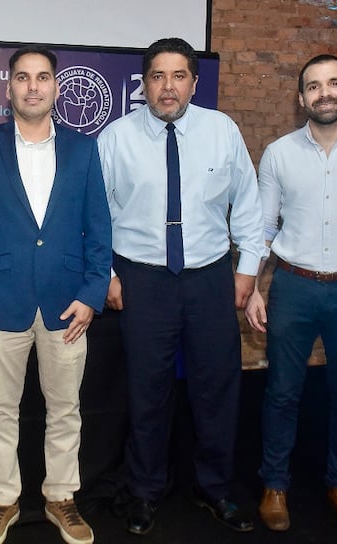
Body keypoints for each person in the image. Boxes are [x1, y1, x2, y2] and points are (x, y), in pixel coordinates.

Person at [96, 37, 265, 535]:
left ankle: (213, 487)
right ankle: (144, 490)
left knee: (217, 387)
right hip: (141, 279)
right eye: (157, 76)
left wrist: (247, 269)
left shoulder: (222, 131)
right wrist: (107, 274)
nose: (167, 87)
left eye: (178, 76)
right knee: (147, 390)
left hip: (209, 277)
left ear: (194, 82)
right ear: (143, 84)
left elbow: (248, 203)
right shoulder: (116, 137)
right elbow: (95, 214)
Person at [0, 45, 111, 544]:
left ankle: (61, 497)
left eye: (42, 77)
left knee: (66, 409)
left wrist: (92, 293)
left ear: (56, 87)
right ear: (9, 88)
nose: (33, 86)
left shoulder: (84, 149)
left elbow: (99, 229)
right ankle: (3, 502)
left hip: (68, 304)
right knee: (0, 410)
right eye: (23, 77)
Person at [245, 54, 337, 540]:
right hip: (293, 287)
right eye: (314, 86)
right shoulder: (279, 154)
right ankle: (275, 484)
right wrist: (253, 287)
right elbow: (263, 226)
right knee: (282, 392)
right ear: (301, 98)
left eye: (334, 83)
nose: (325, 93)